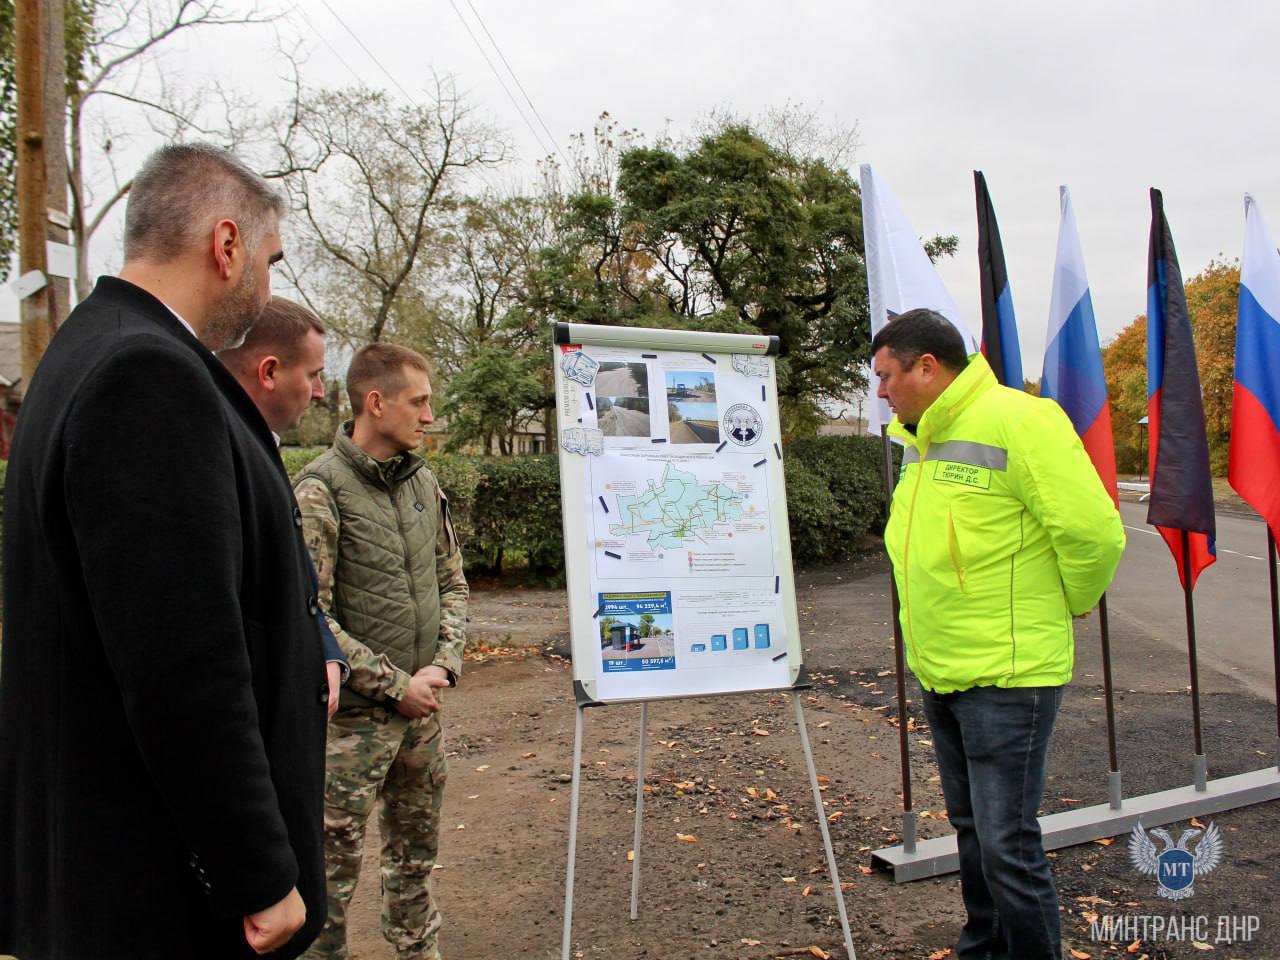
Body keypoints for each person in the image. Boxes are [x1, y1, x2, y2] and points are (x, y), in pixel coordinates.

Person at [0, 143, 329, 960]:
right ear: (226, 246)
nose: (266, 286)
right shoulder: (146, 373)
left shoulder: (86, 349)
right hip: (156, 892)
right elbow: (180, 658)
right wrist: (255, 868)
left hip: (114, 868)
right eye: (269, 261)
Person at [872, 309, 1125, 960]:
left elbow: (1094, 534)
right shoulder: (922, 440)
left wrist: (1067, 603)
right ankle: (982, 948)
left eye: (886, 375)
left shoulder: (1022, 420)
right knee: (972, 832)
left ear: (927, 368)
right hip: (946, 671)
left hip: (1007, 678)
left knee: (1007, 842)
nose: (880, 391)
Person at [294, 343, 468, 960]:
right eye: (419, 402)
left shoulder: (424, 482)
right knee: (327, 882)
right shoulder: (319, 490)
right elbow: (309, 616)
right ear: (376, 402)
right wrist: (397, 686)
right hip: (350, 729)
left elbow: (453, 582)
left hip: (422, 720)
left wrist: (443, 663)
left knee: (416, 862)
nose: (429, 415)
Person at [219, 295, 349, 717]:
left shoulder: (261, 449)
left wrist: (327, 652)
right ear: (270, 371)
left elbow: (301, 590)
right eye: (313, 375)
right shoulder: (218, 457)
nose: (317, 392)